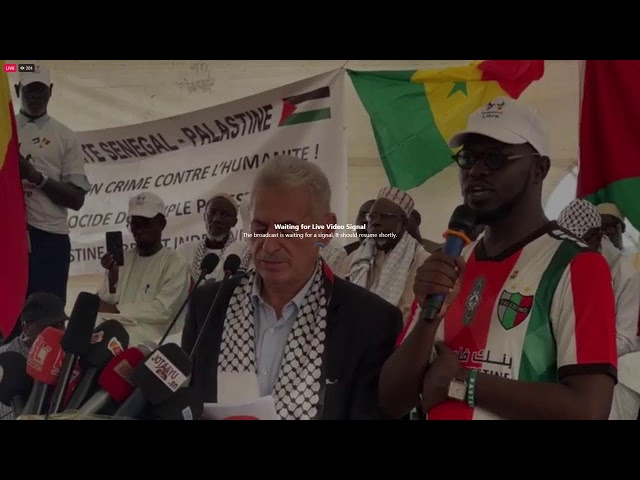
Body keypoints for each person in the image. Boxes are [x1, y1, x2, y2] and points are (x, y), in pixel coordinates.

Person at [379, 97, 618, 420]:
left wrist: (461, 382)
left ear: (539, 169)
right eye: (467, 158)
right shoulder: (449, 263)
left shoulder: (576, 265)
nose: (476, 170)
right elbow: (391, 400)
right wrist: (428, 318)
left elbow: (589, 410)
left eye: (495, 158)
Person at [182, 155, 402, 420]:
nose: (270, 245)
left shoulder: (371, 321)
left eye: (287, 230)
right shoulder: (207, 306)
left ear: (325, 229)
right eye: (260, 228)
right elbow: (187, 404)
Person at [15, 64, 90, 311]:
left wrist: (37, 178)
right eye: (29, 91)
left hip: (49, 236)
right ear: (17, 90)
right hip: (9, 234)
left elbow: (77, 199)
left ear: (51, 91)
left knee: (47, 315)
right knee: (9, 316)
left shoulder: (64, 136)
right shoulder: (5, 131)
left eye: (41, 90)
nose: (35, 97)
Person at [558, 198, 640, 420]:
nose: (570, 247)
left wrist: (577, 354)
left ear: (596, 237)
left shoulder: (626, 272)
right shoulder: (566, 262)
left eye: (578, 241)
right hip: (567, 372)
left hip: (616, 379)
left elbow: (626, 339)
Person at [97, 192, 191, 345]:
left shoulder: (175, 262)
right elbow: (104, 304)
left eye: (145, 223)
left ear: (162, 224)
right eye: (135, 224)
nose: (139, 229)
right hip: (116, 326)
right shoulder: (124, 258)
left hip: (153, 335)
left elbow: (162, 311)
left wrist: (116, 310)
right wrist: (112, 278)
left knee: (108, 339)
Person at [339, 187, 429, 323]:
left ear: (403, 223)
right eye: (372, 217)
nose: (375, 222)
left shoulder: (422, 261)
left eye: (384, 216)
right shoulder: (353, 260)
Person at [0, 292, 67, 420]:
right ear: (26, 327)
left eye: (61, 325)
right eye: (50, 326)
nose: (58, 332)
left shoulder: (67, 357)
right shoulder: (5, 361)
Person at [178, 193, 246, 282]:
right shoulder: (185, 250)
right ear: (204, 217)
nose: (216, 219)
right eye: (212, 212)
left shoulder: (241, 252)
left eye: (224, 214)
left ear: (234, 222)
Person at [596, 203, 640, 271]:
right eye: (599, 228)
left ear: (622, 228)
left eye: (608, 226)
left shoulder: (635, 258)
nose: (603, 233)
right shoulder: (588, 260)